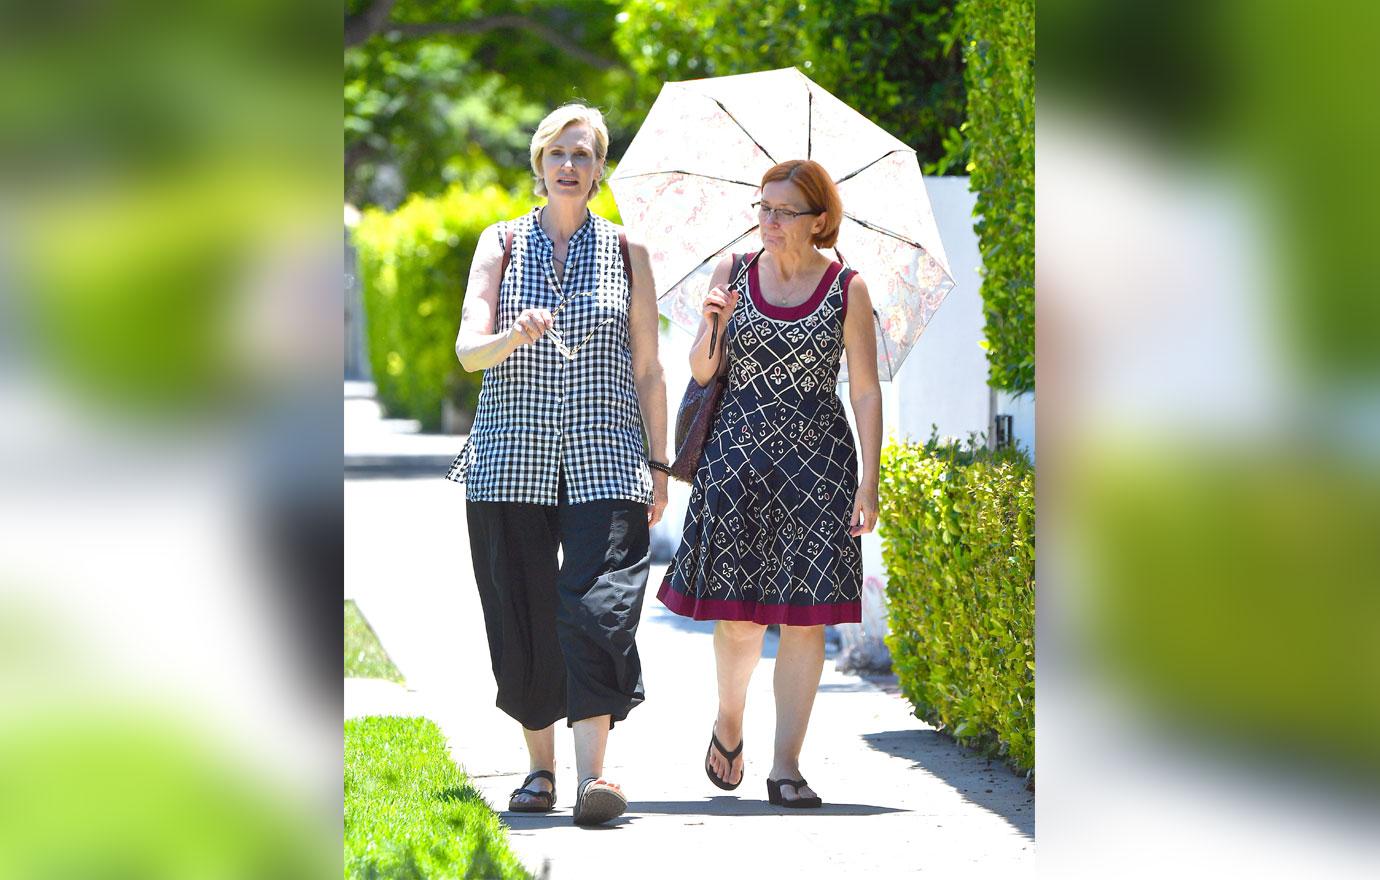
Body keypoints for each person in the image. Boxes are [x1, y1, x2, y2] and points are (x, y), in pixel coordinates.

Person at [447, 103, 669, 826]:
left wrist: (659, 467)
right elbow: (467, 351)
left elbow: (648, 369)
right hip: (511, 458)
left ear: (600, 167)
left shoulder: (628, 251)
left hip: (607, 457)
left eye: (584, 153)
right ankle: (539, 769)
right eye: (559, 153)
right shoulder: (502, 243)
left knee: (601, 606)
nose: (570, 165)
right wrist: (514, 330)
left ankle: (594, 780)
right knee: (523, 611)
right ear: (540, 165)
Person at [657, 159, 882, 808]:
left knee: (805, 623)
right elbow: (702, 371)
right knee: (737, 619)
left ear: (819, 220)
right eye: (763, 208)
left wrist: (870, 480)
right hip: (736, 463)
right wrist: (712, 318)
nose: (769, 221)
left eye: (784, 211)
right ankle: (729, 724)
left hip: (819, 469)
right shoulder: (732, 274)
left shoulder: (847, 288)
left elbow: (864, 392)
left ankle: (786, 766)